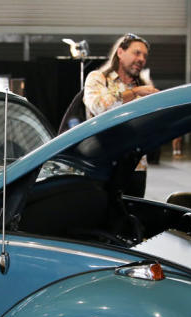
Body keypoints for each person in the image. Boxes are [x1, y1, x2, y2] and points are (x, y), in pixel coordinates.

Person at [82, 33, 159, 196]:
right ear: (120, 52)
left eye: (145, 56)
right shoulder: (98, 79)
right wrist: (135, 92)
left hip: (136, 167)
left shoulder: (145, 85)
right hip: (104, 164)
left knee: (132, 215)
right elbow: (100, 106)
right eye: (137, 53)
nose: (141, 59)